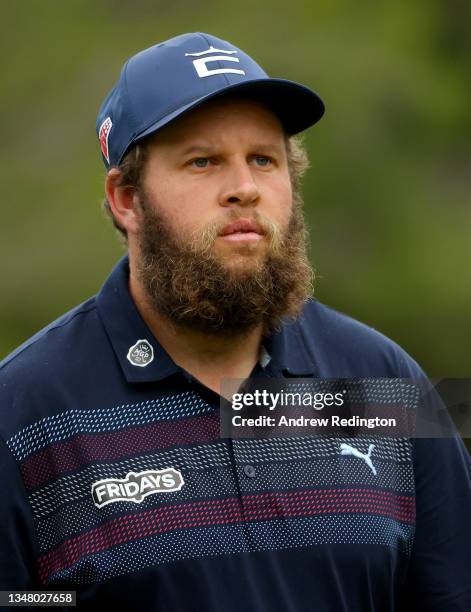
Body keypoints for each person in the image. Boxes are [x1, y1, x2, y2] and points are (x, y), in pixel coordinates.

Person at [0, 31, 470, 611]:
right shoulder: (22, 413)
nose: (244, 189)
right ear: (126, 200)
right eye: (203, 161)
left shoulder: (388, 383)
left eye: (264, 160)